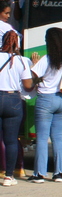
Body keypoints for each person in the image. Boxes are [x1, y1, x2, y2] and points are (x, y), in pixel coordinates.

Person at [22, 27, 62, 183]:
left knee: (42, 137)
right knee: (58, 137)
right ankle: (59, 172)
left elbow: (33, 79)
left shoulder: (47, 59)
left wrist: (34, 64)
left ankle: (39, 173)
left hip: (46, 99)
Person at [0, 30, 30, 186]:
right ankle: (9, 176)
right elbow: (27, 85)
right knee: (11, 141)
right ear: (17, 43)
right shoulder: (22, 61)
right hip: (13, 100)